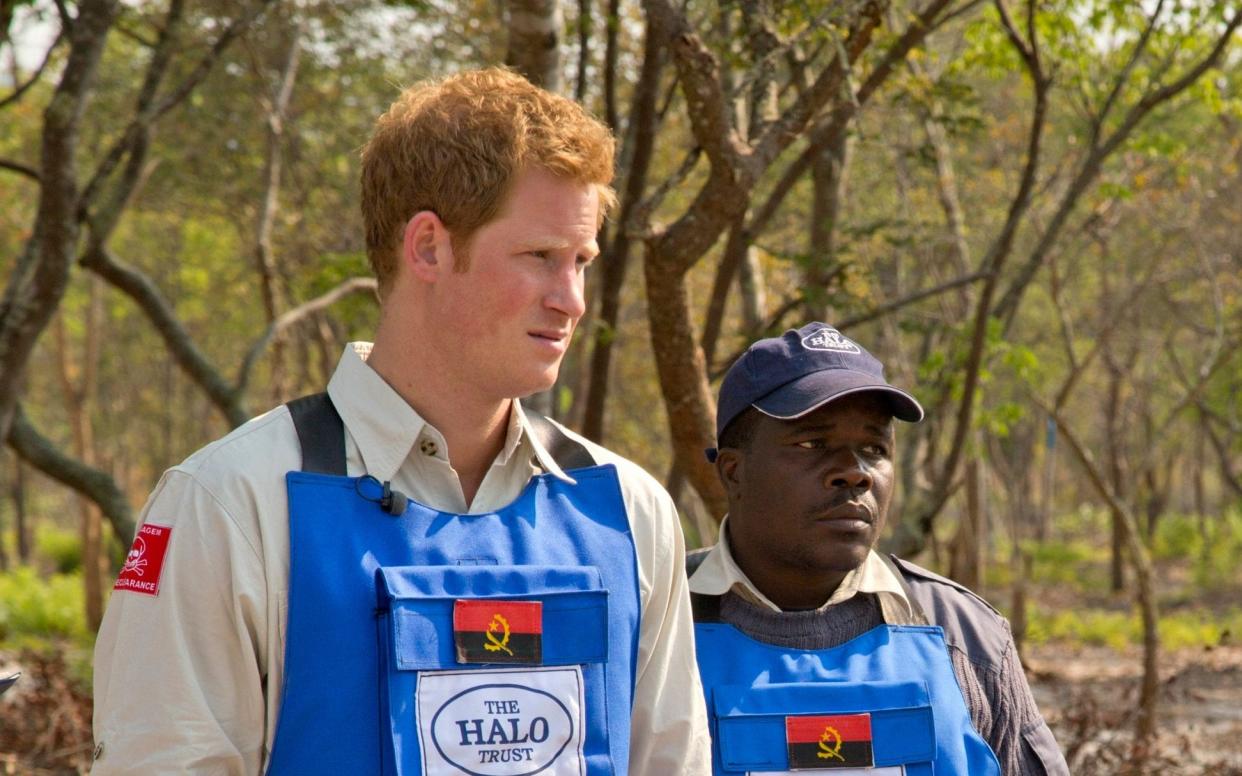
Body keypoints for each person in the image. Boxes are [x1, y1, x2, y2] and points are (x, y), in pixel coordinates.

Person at [92, 68, 711, 775]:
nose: (571, 300)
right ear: (427, 247)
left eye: (582, 262)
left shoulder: (631, 514)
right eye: (540, 257)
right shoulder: (229, 505)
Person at [687, 322, 1069, 775]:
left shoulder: (964, 634)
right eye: (813, 443)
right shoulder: (655, 623)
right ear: (733, 472)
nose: (855, 473)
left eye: (873, 447)